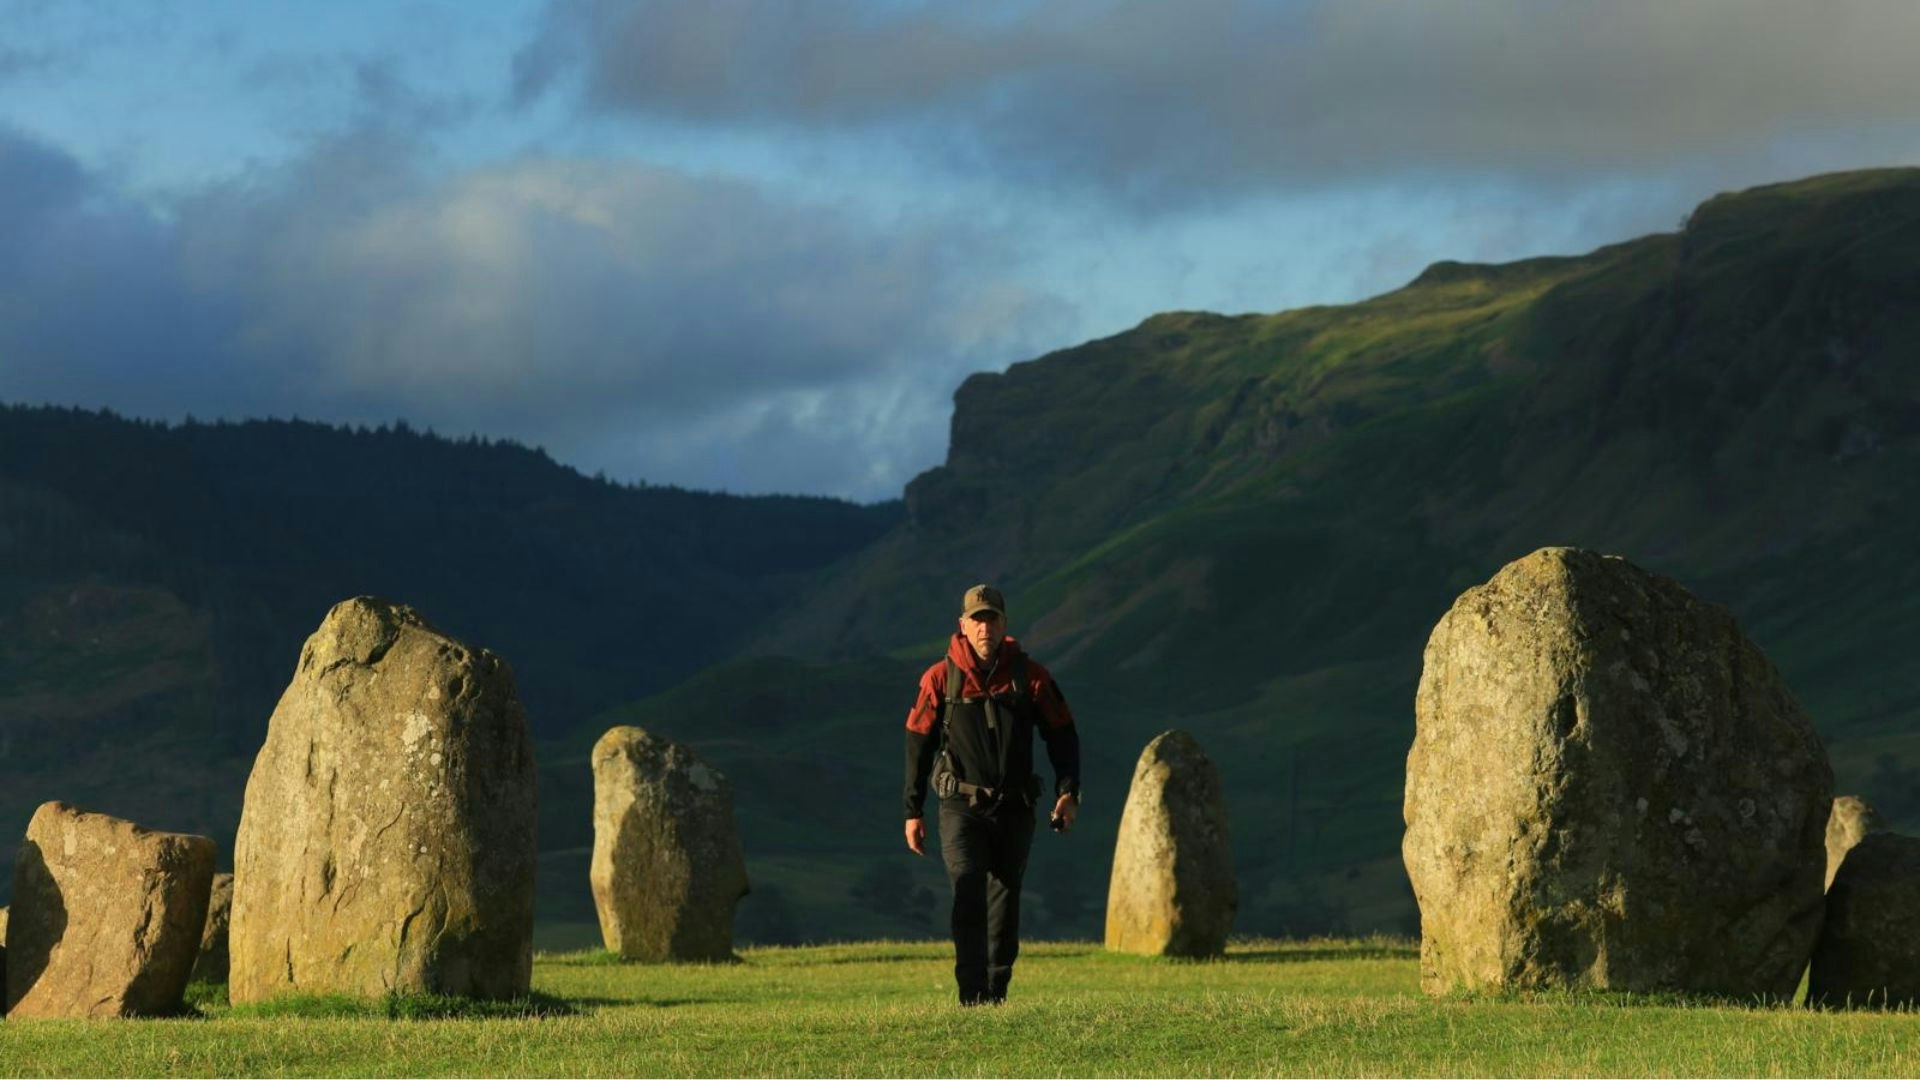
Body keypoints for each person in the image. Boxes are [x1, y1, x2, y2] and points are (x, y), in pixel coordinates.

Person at [902, 583, 1081, 1005]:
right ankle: (971, 995)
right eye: (977, 619)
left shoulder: (1031, 676)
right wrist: (913, 810)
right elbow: (917, 743)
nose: (985, 627)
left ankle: (996, 993)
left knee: (1005, 899)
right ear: (963, 625)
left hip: (1016, 806)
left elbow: (1062, 734)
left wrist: (1068, 791)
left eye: (992, 618)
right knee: (967, 891)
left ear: (1004, 623)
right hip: (959, 806)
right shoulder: (939, 679)